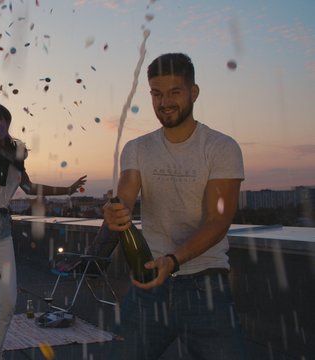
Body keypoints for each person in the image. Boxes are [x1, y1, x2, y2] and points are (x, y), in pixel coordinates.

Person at [104, 53, 248, 359]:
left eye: (174, 92)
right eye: (157, 94)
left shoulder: (221, 148)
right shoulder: (137, 148)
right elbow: (126, 193)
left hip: (206, 286)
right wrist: (116, 213)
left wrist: (173, 259)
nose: (164, 102)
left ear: (193, 93)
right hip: (149, 285)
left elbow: (217, 221)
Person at [0, 103, 87, 360]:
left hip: (2, 228)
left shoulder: (15, 155)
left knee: (7, 301)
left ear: (7, 119)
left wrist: (68, 190)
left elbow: (28, 188)